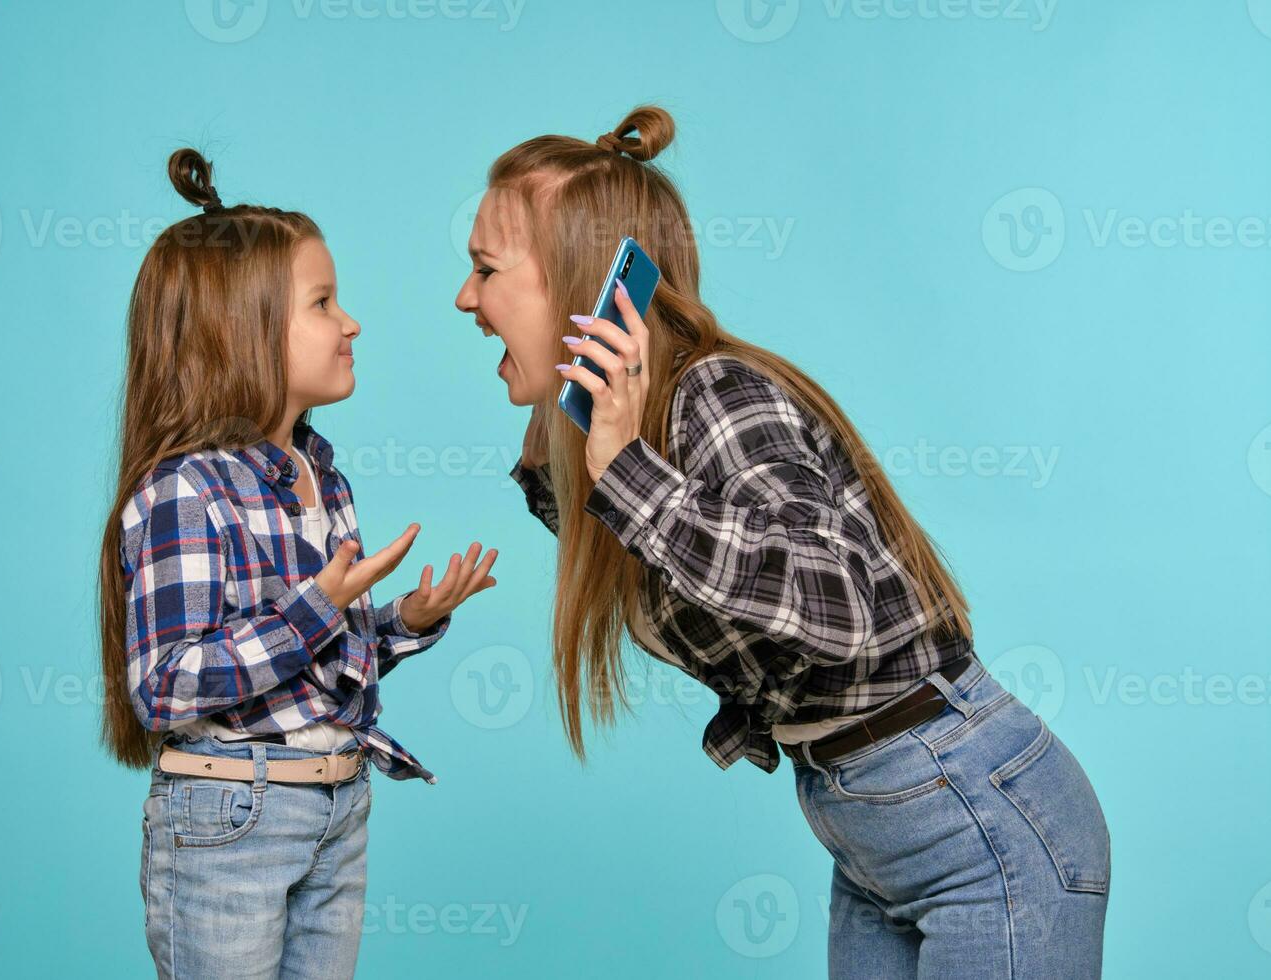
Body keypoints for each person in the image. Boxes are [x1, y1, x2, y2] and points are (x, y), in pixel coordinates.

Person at [454, 105, 1110, 978]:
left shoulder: (718, 398)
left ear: (576, 285)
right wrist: (582, 438)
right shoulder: (629, 442)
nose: (465, 298)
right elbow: (671, 566)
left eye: (485, 271)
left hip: (983, 830)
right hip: (877, 834)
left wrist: (623, 469)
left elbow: (837, 606)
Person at [97, 148, 498, 979]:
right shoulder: (186, 491)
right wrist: (318, 606)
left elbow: (306, 667)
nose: (350, 322)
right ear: (239, 333)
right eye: (323, 304)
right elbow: (165, 684)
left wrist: (404, 623)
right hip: (232, 814)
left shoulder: (321, 473)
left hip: (334, 802)